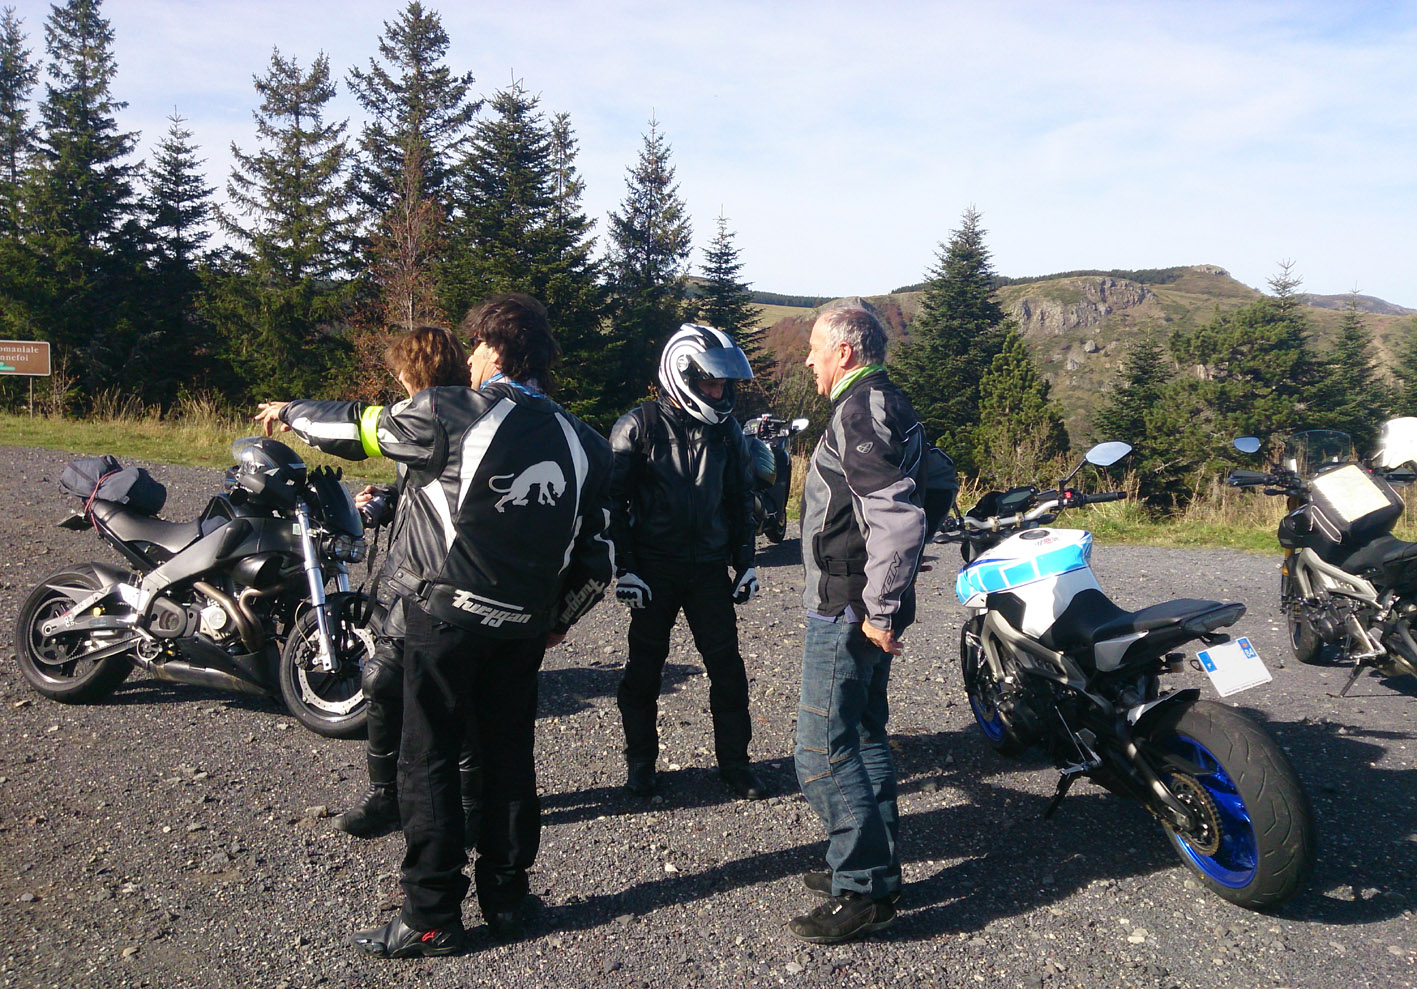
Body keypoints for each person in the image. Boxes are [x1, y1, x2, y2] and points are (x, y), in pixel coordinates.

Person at [254, 294, 614, 959]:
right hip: (522, 630)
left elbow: (359, 427)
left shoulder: (452, 409)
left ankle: (431, 913)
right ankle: (507, 897)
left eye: (475, 346)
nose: (469, 358)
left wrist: (290, 413)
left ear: (493, 349)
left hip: (444, 616)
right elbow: (599, 557)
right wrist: (554, 620)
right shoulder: (585, 441)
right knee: (509, 760)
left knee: (430, 761)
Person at [789, 306, 929, 945]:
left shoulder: (858, 409)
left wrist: (876, 608)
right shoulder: (890, 401)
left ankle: (864, 886)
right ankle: (876, 869)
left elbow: (899, 518)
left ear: (844, 352)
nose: (809, 359)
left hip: (849, 608)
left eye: (816, 348)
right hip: (866, 602)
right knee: (865, 733)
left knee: (820, 750)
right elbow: (940, 480)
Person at [330, 326, 482, 846]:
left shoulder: (449, 419)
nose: (395, 377)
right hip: (403, 576)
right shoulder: (418, 418)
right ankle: (385, 795)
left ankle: (464, 805)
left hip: (440, 582)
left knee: (448, 696)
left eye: (399, 369)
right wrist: (384, 501)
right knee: (380, 683)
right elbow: (419, 493)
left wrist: (292, 413)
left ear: (414, 369)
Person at [608, 323, 767, 801]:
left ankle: (736, 764)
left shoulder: (729, 432)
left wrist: (747, 561)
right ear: (682, 375)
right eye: (710, 381)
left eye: (722, 383)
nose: (719, 391)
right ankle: (641, 765)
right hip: (654, 570)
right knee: (643, 671)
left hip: (709, 570)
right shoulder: (637, 426)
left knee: (728, 669)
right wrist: (626, 568)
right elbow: (612, 505)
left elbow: (741, 499)